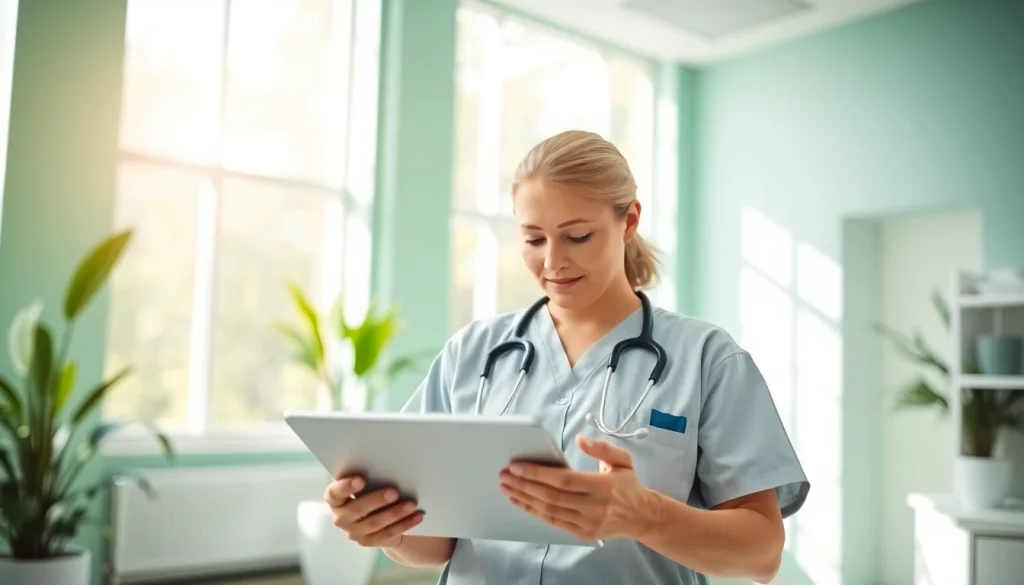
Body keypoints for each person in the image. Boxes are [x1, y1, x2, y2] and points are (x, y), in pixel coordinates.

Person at [323, 130, 810, 585]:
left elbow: (761, 554)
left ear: (629, 221)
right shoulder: (472, 354)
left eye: (577, 236)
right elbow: (435, 544)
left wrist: (644, 515)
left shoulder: (707, 360)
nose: (553, 261)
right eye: (533, 239)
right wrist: (386, 529)